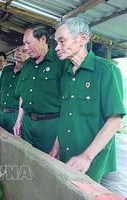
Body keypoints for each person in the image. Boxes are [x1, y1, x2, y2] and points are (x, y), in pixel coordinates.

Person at [50, 17, 125, 182]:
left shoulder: (106, 70)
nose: (57, 48)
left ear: (82, 38)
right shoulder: (67, 73)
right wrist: (57, 144)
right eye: (56, 42)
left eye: (62, 41)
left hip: (91, 159)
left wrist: (87, 156)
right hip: (67, 154)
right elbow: (66, 114)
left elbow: (114, 121)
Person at [13, 26, 64, 154]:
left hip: (50, 126)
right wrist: (19, 120)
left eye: (28, 43)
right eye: (24, 43)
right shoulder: (28, 65)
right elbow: (23, 96)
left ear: (42, 39)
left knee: (48, 166)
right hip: (28, 124)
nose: (25, 48)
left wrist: (59, 138)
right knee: (25, 159)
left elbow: (68, 102)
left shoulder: (60, 63)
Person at [0, 45, 29, 134]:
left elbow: (23, 98)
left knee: (13, 142)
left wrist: (19, 120)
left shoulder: (28, 73)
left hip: (15, 114)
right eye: (17, 50)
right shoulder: (6, 70)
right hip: (1, 113)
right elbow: (0, 92)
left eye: (24, 51)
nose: (19, 53)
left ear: (29, 55)